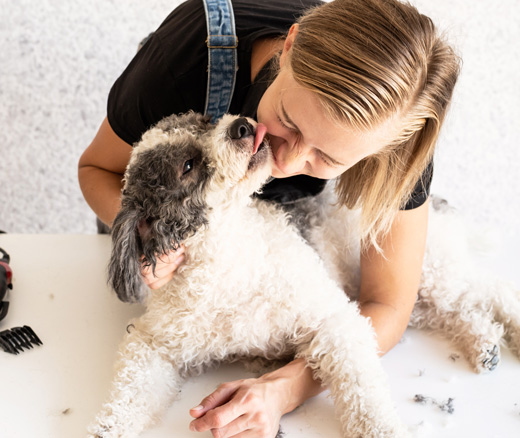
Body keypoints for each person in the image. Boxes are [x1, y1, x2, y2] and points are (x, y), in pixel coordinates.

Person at [78, 0, 461, 436]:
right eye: (289, 121)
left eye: (326, 157)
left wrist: (285, 387)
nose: (289, 156)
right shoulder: (184, 59)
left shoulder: (396, 134)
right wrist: (145, 238)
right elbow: (95, 170)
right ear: (290, 46)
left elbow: (387, 303)